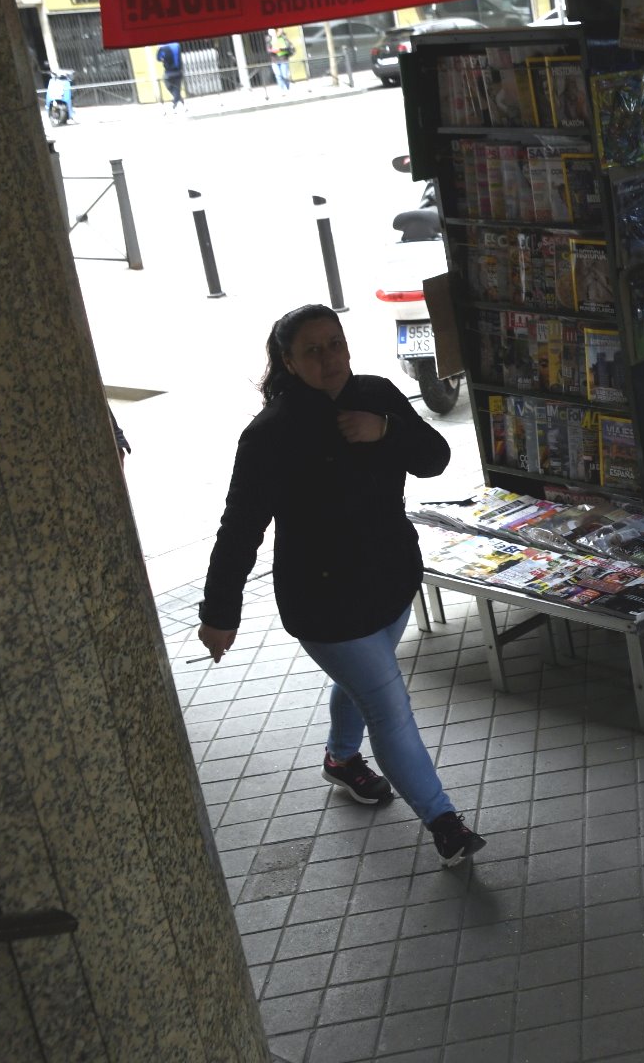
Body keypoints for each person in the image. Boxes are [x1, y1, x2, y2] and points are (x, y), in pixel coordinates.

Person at [196, 304, 484, 866]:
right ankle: (444, 822)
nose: (329, 358)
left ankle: (340, 759)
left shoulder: (376, 394)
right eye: (312, 350)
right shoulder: (270, 435)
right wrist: (219, 611)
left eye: (336, 343)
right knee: (389, 705)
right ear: (288, 362)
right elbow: (240, 527)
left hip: (391, 581)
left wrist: (386, 431)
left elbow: (436, 458)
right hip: (325, 601)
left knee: (367, 679)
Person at [156, 40, 185, 111]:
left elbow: (158, 58)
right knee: (177, 89)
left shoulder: (162, 48)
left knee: (169, 86)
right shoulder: (177, 45)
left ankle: (175, 102)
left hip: (169, 72)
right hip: (179, 72)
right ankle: (179, 102)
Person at [266, 27, 294, 92]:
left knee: (284, 75)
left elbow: (288, 47)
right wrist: (272, 50)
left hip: (283, 59)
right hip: (274, 60)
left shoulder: (283, 38)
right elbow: (268, 50)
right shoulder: (269, 39)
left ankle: (287, 88)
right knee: (278, 75)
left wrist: (280, 49)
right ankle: (282, 90)